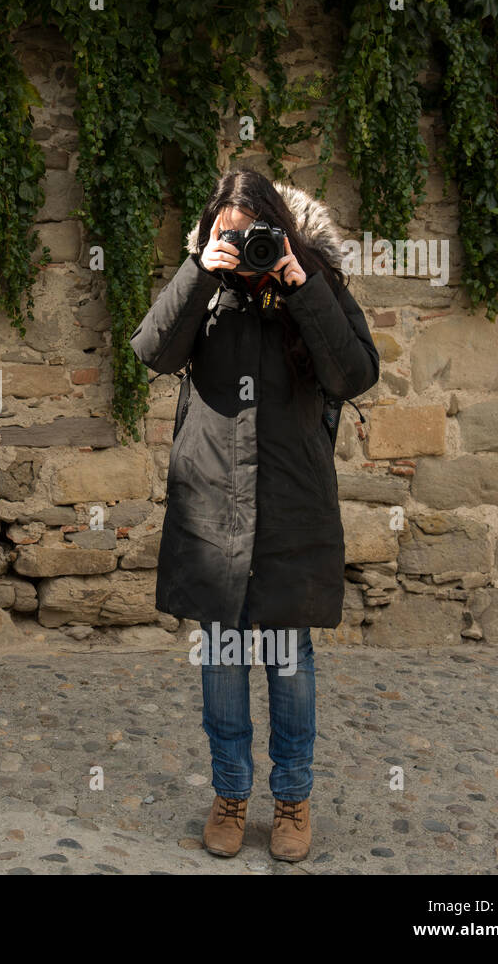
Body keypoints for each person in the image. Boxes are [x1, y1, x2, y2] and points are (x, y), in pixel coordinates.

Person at [129, 168, 380, 862]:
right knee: (222, 659)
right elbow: (151, 351)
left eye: (253, 236)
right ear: (212, 232)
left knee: (290, 661)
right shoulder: (204, 290)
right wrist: (197, 272)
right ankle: (231, 796)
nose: (243, 249)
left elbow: (355, 374)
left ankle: (293, 801)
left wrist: (304, 288)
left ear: (282, 230)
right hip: (211, 499)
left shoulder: (313, 280)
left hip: (292, 503)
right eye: (227, 236)